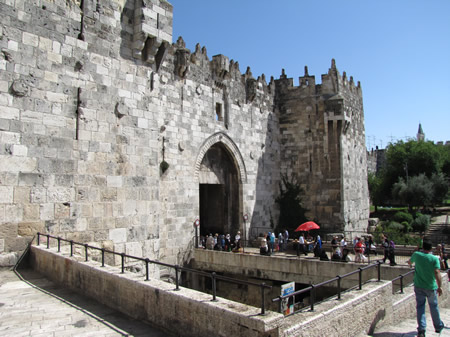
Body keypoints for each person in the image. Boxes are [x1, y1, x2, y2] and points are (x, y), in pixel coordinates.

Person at [407, 241, 445, 337]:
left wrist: (410, 263)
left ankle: (421, 330)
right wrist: (440, 286)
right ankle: (438, 326)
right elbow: (437, 272)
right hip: (431, 286)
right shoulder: (434, 259)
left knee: (420, 307)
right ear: (431, 249)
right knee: (434, 306)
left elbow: (410, 262)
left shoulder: (416, 255)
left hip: (419, 285)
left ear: (422, 247)